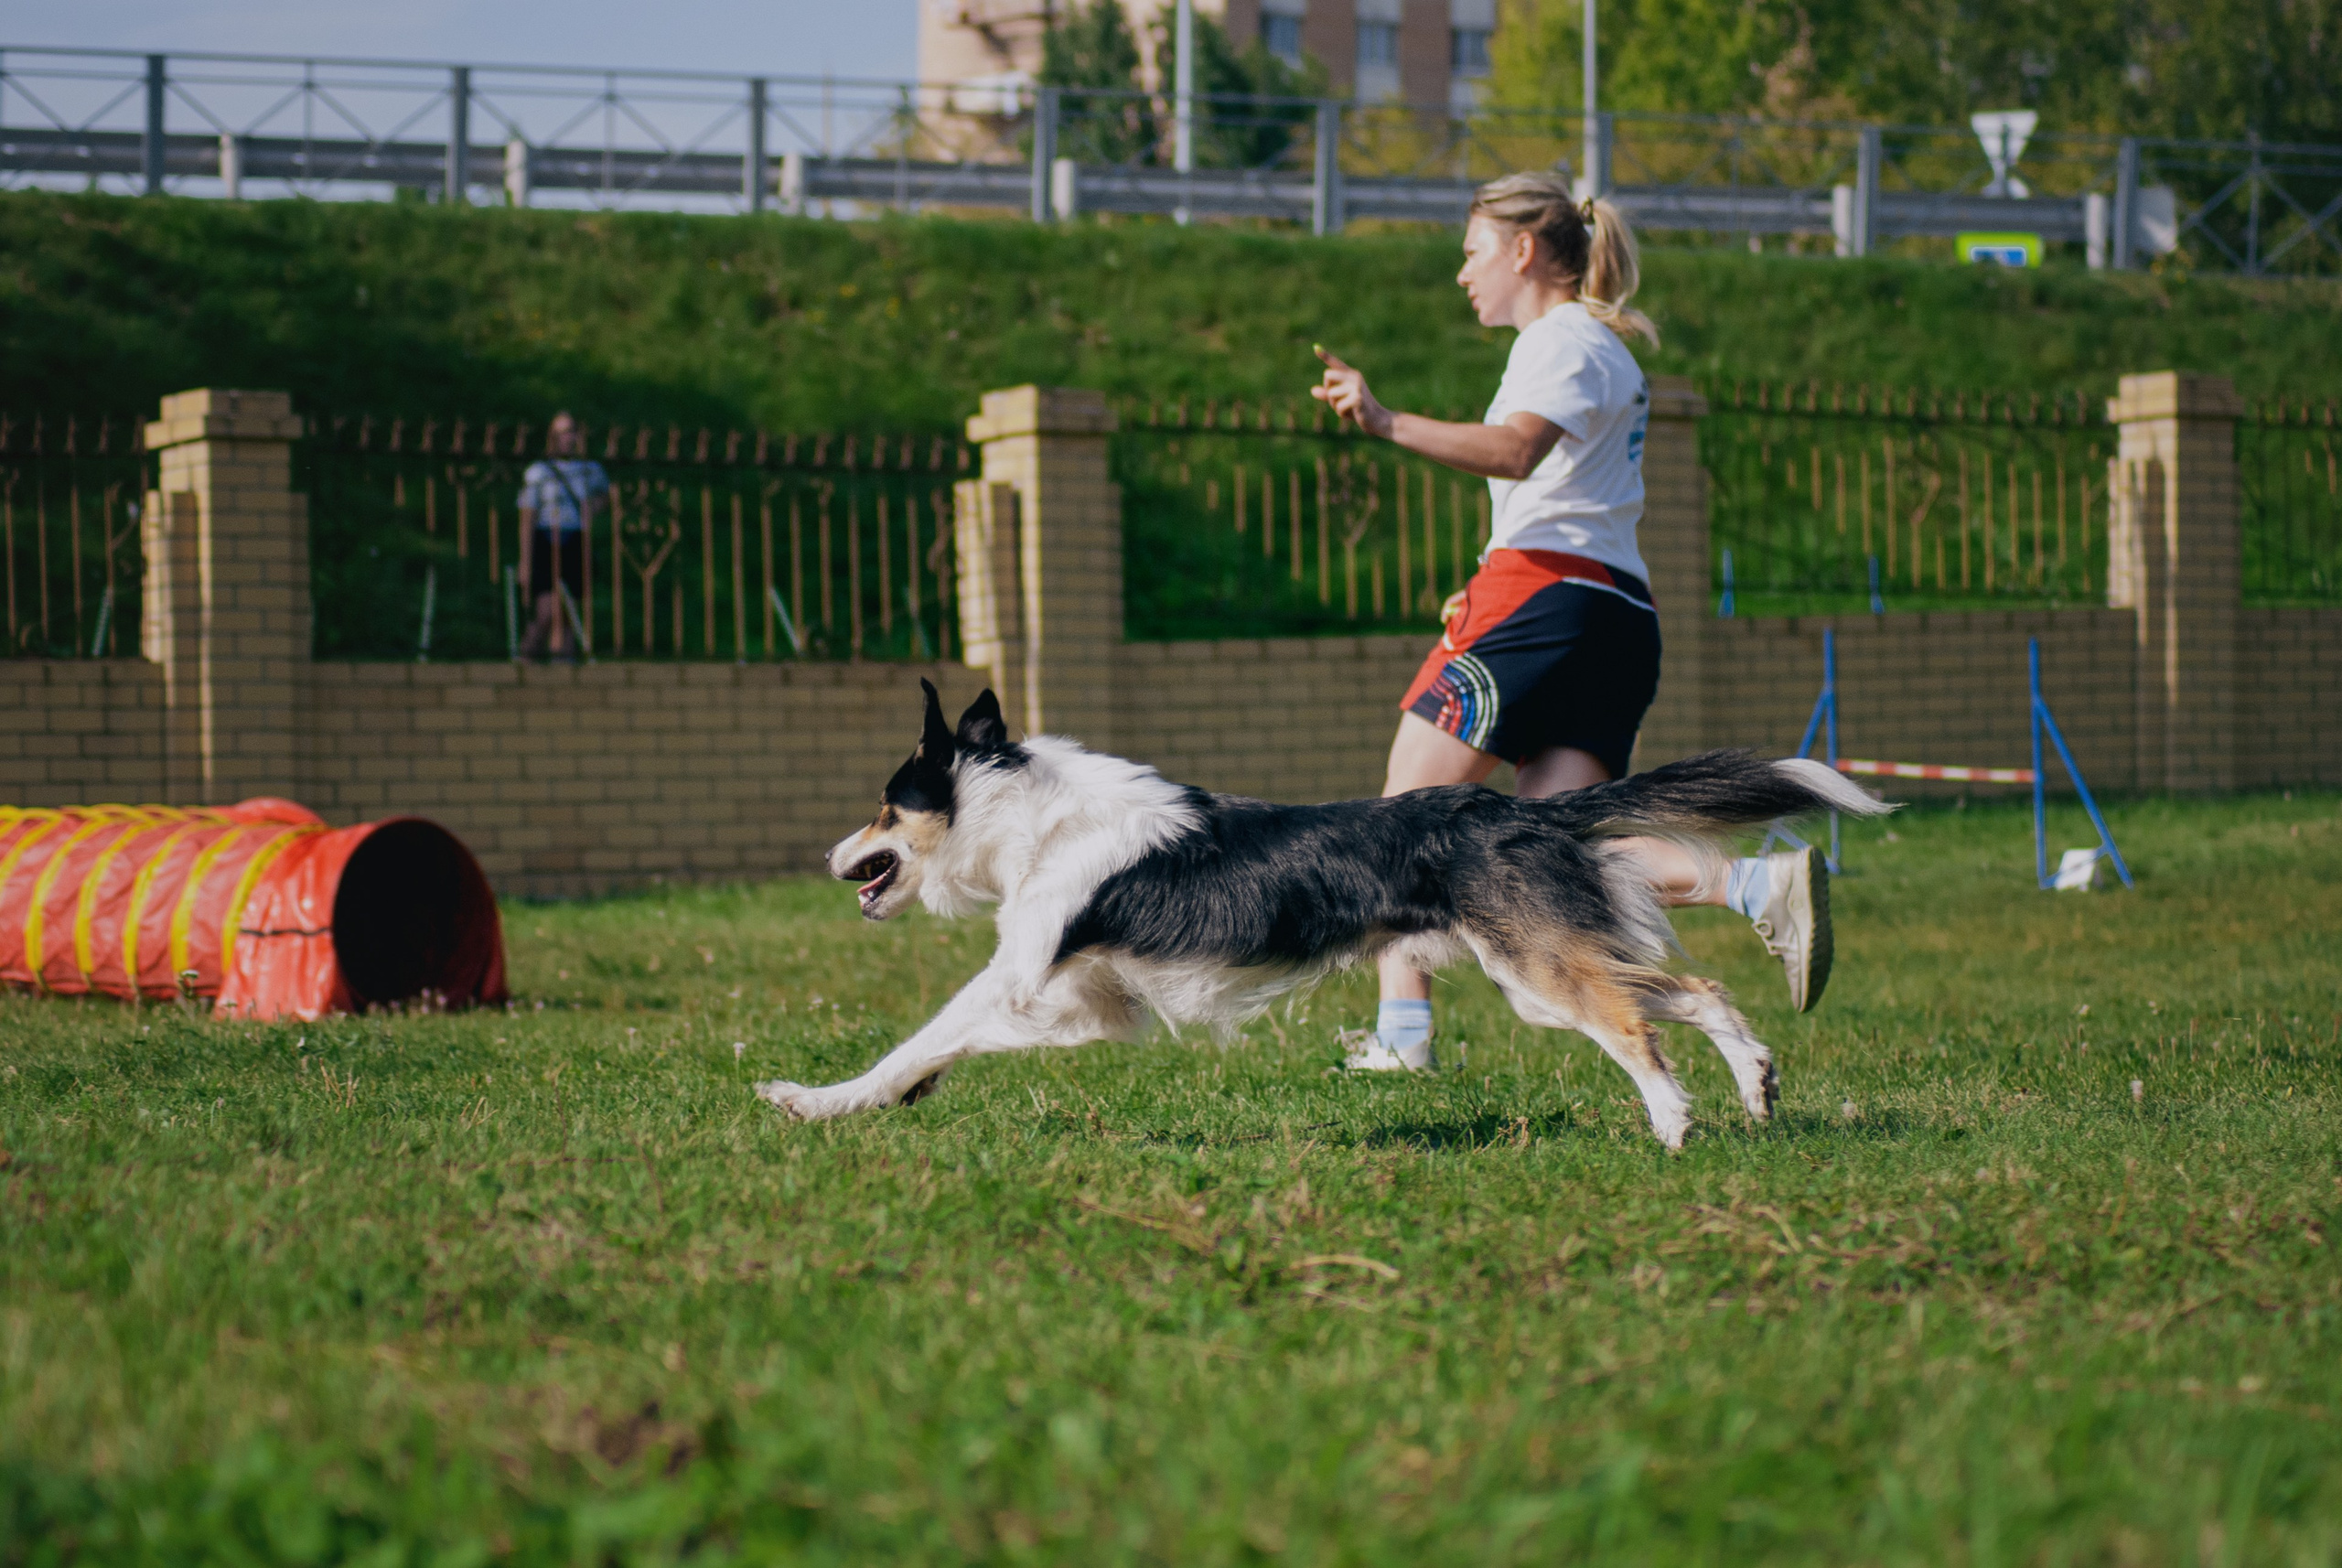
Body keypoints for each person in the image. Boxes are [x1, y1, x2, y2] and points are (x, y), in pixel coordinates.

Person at [1311, 170, 1833, 1074]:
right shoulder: (1603, 349)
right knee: (1554, 849)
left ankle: (1402, 1039)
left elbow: (1517, 451)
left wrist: (1387, 419)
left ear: (1522, 251)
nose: (1461, 273)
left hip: (1541, 600)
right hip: (1608, 615)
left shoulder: (1560, 341)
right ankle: (1752, 882)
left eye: (1471, 252)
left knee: (1398, 822)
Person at [516, 412, 610, 660]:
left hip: (575, 538)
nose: (567, 438)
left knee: (569, 611)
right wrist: (525, 561)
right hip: (545, 538)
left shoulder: (590, 470)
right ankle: (526, 658)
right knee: (547, 610)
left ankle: (565, 667)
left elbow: (605, 496)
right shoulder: (538, 472)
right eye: (561, 433)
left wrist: (593, 509)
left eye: (571, 431)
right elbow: (527, 517)